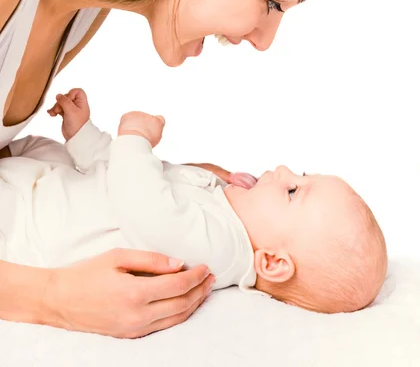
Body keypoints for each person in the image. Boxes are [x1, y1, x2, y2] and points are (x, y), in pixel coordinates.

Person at [0, 0, 347, 336]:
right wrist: (52, 297)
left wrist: (177, 188)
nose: (264, 40)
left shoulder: (84, 7)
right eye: (274, 2)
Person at [0, 88, 387, 316]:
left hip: (28, 222)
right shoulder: (223, 206)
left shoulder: (219, 249)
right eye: (300, 174)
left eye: (293, 191)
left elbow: (141, 205)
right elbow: (120, 179)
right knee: (40, 151)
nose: (284, 169)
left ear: (271, 261)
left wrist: (133, 137)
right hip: (61, 186)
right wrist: (84, 136)